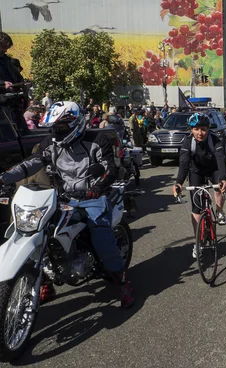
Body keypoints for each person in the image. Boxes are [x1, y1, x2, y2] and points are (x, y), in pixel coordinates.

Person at [0, 101, 134, 308]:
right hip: (63, 198)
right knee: (40, 232)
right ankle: (44, 282)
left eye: (61, 126)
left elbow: (109, 168)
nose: (57, 131)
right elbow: (33, 162)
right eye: (54, 127)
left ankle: (123, 282)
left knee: (101, 238)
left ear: (77, 123)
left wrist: (97, 187)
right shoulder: (52, 143)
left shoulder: (97, 140)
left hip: (93, 198)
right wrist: (5, 178)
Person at [173, 114, 226, 256]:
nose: (200, 133)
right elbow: (184, 164)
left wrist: (223, 179)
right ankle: (197, 243)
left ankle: (219, 211)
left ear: (208, 129)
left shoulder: (215, 139)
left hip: (213, 169)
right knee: (196, 209)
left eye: (203, 129)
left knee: (217, 187)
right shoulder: (187, 142)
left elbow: (221, 159)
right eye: (196, 129)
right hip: (196, 171)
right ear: (191, 130)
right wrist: (178, 183)